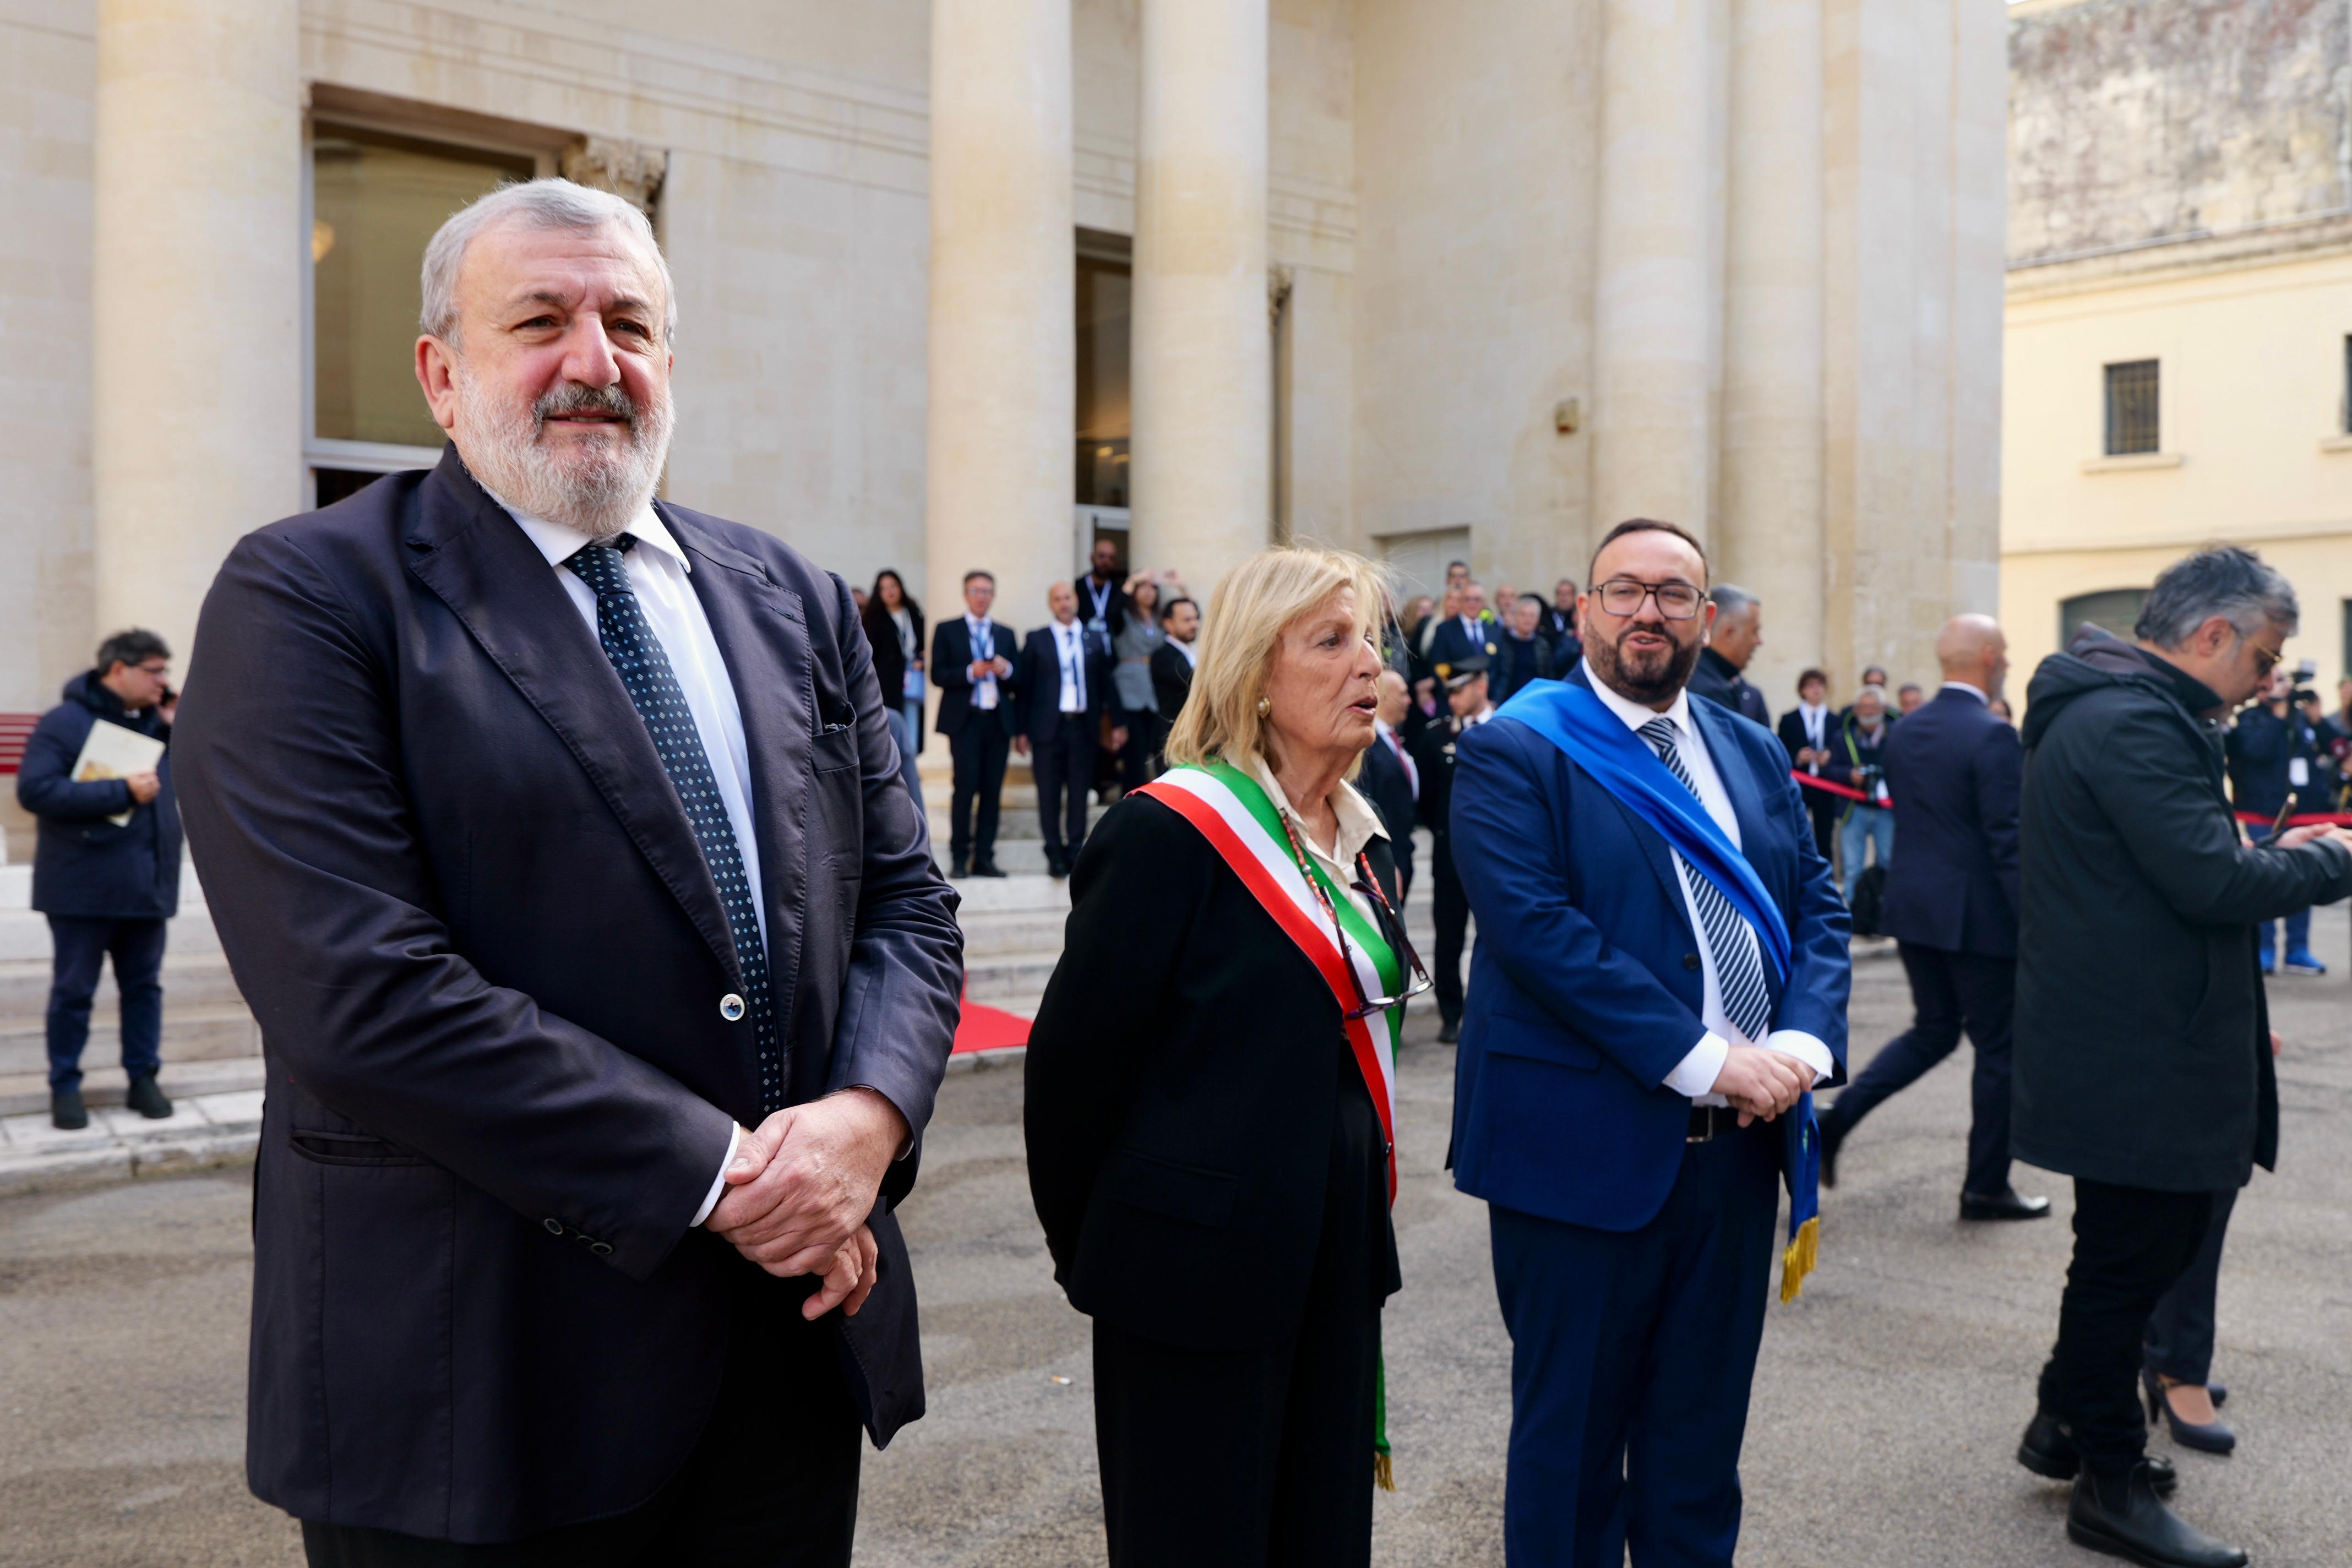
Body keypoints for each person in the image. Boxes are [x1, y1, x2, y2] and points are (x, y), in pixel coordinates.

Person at [170, 177, 963, 1565]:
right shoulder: (308, 597)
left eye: (630, 324)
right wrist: (733, 1178)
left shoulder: (795, 596)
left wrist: (868, 1117)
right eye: (539, 318)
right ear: (440, 370)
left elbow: (904, 902)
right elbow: (360, 988)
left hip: (779, 1365)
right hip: (478, 1384)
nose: (593, 361)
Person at [1450, 518, 1849, 1567]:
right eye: (1623, 591)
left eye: (1674, 594)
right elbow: (1538, 933)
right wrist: (1711, 1057)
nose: (1647, 612)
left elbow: (1816, 901)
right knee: (1570, 1456)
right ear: (1583, 608)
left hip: (1736, 1160)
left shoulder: (1750, 747)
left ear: (1704, 617)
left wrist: (1804, 1042)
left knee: (1696, 1452)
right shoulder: (1514, 746)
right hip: (1580, 1162)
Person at [1025, 546, 1419, 1568]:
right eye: (1331, 641)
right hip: (1188, 1280)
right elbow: (1073, 1072)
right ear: (1252, 673)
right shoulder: (1168, 832)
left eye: (1371, 640)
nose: (1366, 665)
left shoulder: (1367, 838)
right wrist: (1113, 1249)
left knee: (1320, 1538)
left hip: (1334, 1258)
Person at [2010, 546, 2352, 1568]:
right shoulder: (2131, 722)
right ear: (2210, 637)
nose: (2267, 679)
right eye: (2264, 654)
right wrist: (2332, 855)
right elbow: (2210, 881)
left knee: (2128, 1256)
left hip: (2133, 1035)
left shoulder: (2135, 712)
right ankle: (2106, 1484)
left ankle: (2064, 1427)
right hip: (2133, 1050)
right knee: (2126, 1267)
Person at [1816, 616, 2046, 1221]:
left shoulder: (1907, 729)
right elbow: (2006, 842)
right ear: (1991, 657)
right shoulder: (1992, 735)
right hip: (1976, 919)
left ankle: (1838, 1119)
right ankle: (1986, 1186)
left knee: (1935, 1029)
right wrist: (2034, 923)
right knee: (2000, 1048)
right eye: (2007, 654)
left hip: (1915, 908)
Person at [15, 629, 182, 1130]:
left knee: (144, 989)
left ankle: (142, 1078)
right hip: (81, 889)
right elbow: (36, 790)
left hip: (147, 884)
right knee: (73, 991)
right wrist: (121, 792)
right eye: (154, 671)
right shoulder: (65, 723)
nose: (163, 682)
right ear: (118, 670)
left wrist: (178, 728)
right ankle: (65, 1086)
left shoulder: (159, 723)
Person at [1412, 656, 1494, 1046]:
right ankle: (1451, 1014)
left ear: (1481, 685)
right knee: (1449, 937)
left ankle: (1493, 1008)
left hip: (1497, 856)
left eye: (1460, 689)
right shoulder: (1436, 735)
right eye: (1449, 691)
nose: (1453, 698)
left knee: (1499, 934)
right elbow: (1425, 797)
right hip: (1450, 857)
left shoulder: (1507, 727)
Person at [2225, 667, 2326, 975]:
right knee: (2265, 879)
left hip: (2302, 812)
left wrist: (2316, 717)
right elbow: (2256, 752)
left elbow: (2333, 744)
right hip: (2262, 812)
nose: (2283, 687)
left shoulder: (2300, 717)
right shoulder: (2250, 718)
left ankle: (2298, 950)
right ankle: (2264, 949)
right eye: (2276, 681)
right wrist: (2278, 715)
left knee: (2301, 878)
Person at [1017, 582, 1120, 878]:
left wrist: (1117, 723)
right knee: (1048, 793)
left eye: (1068, 598)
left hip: (1083, 727)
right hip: (1047, 728)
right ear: (1051, 604)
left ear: (1076, 601)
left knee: (1078, 791)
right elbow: (1026, 688)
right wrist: (1021, 730)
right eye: (1058, 599)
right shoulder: (1037, 639)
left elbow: (1107, 684)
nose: (1064, 603)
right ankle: (1053, 852)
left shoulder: (1095, 638)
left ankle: (1076, 850)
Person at [932, 569, 1019, 878]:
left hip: (997, 721)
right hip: (965, 721)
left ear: (993, 596)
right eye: (975, 591)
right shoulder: (947, 629)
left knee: (992, 792)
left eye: (986, 591)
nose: (981, 597)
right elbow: (938, 674)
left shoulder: (1006, 634)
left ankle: (985, 857)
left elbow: (1019, 679)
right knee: (965, 788)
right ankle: (959, 857)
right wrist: (972, 672)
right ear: (965, 594)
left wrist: (1005, 668)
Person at [860, 570, 926, 803]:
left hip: (915, 685)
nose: (890, 591)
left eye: (894, 586)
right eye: (884, 587)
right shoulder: (874, 620)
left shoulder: (915, 615)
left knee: (915, 726)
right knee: (895, 727)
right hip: (889, 686)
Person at [1111, 571, 1180, 792]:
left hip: (1154, 692)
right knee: (1135, 754)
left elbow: (1187, 620)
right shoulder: (1126, 616)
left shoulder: (1160, 619)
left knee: (1159, 751)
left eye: (1153, 587)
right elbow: (1110, 614)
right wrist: (1130, 582)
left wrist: (1180, 587)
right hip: (1130, 689)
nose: (1148, 591)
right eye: (1143, 586)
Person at [1828, 685, 1896, 904]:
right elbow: (1829, 769)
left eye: (1873, 707)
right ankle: (1854, 915)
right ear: (1856, 710)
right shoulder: (1842, 737)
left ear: (1883, 708)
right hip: (1854, 808)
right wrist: (1850, 774)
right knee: (1852, 865)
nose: (1868, 712)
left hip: (1887, 810)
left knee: (1888, 860)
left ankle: (1886, 911)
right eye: (1864, 707)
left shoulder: (1897, 734)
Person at [1360, 668, 1420, 906]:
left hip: (1402, 850)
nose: (1409, 701)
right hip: (1385, 858)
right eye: (1403, 694)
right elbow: (1368, 804)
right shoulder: (1368, 743)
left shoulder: (1392, 740)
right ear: (1384, 698)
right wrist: (1385, 863)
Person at [1686, 584, 1771, 726]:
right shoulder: (1711, 693)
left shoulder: (1700, 673)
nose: (1759, 642)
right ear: (1729, 634)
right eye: (1754, 632)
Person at [1777, 668, 1839, 859]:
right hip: (1800, 784)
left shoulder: (1834, 720)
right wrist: (1798, 757)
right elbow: (1780, 751)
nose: (1816, 690)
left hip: (1825, 786)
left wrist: (1829, 755)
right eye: (1811, 686)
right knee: (1796, 833)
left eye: (1820, 685)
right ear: (1802, 690)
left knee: (1824, 837)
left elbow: (1842, 751)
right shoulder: (1789, 719)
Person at [1491, 594, 1556, 703]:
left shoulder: (1542, 645)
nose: (1528, 620)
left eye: (1532, 616)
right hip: (1505, 703)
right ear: (1515, 616)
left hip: (1533, 702)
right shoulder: (1501, 640)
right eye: (1523, 615)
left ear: (1538, 620)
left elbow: (1548, 676)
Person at [1150, 596, 1199, 731]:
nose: (1195, 625)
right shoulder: (1164, 655)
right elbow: (1192, 680)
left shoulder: (1195, 651)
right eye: (1187, 620)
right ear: (1169, 624)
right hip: (1175, 733)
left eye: (1196, 619)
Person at [1428, 582, 1496, 676]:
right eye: (1467, 599)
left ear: (1484, 603)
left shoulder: (1494, 630)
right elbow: (1439, 666)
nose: (1472, 603)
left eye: (1477, 599)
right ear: (1461, 602)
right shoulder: (1445, 630)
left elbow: (1502, 668)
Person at [1540, 578, 1582, 666]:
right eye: (1560, 593)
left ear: (1574, 596)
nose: (1564, 597)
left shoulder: (1580, 617)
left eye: (1567, 594)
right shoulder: (1546, 616)